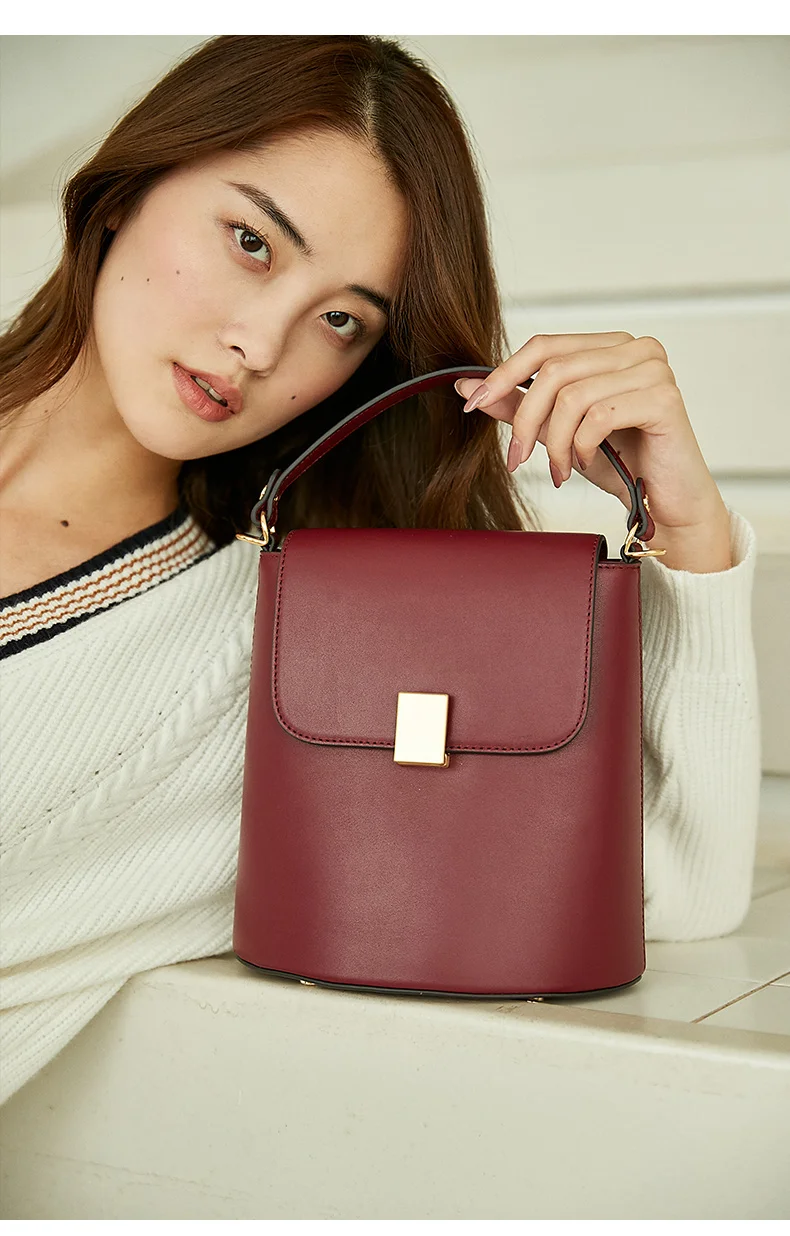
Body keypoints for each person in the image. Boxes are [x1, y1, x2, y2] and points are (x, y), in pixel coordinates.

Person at [0, 35, 760, 1106]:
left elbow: (669, 883)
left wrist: (688, 523)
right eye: (252, 243)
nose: (262, 344)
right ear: (126, 189)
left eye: (342, 320)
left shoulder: (297, 648)